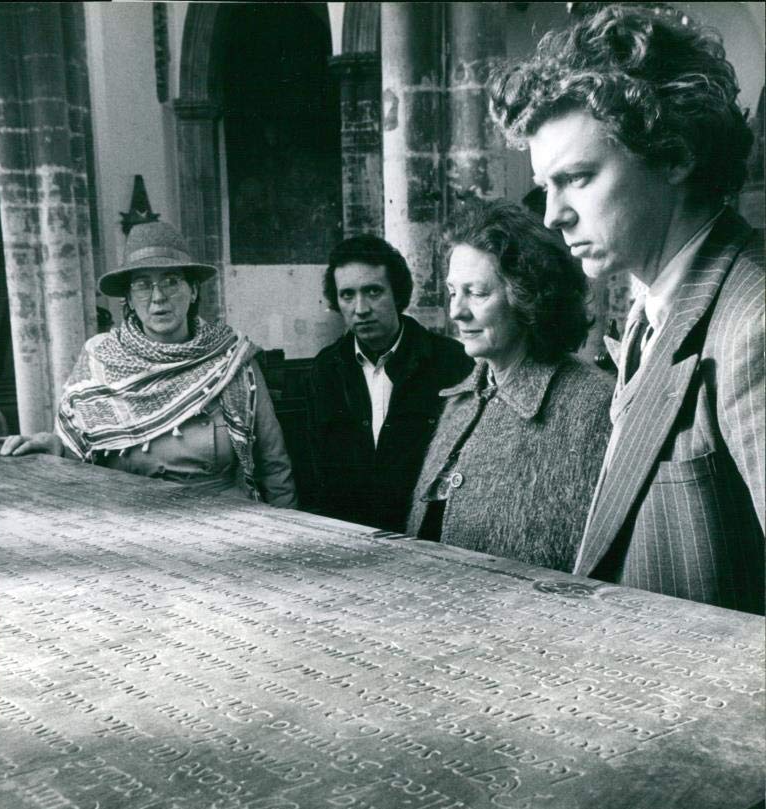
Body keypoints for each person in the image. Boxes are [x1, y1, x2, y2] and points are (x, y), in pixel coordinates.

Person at [489, 3, 764, 613]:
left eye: (578, 178)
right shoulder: (654, 308)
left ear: (672, 155)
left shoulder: (754, 324)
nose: (552, 214)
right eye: (547, 185)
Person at [0, 221, 297, 507]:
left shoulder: (230, 358)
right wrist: (55, 448)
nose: (158, 297)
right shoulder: (99, 360)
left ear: (193, 291)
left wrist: (290, 534)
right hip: (130, 522)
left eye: (171, 281)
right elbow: (78, 452)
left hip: (226, 520)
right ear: (128, 297)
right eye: (143, 284)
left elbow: (274, 464)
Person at [406, 199, 614, 572]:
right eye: (454, 291)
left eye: (477, 293)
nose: (456, 311)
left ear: (529, 296)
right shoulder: (459, 404)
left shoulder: (595, 405)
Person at [308, 234, 473, 532]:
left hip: (428, 536)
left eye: (373, 291)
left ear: (397, 294)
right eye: (347, 295)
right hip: (348, 536)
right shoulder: (325, 369)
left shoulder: (451, 361)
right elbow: (316, 470)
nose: (361, 308)